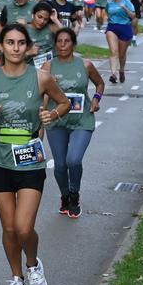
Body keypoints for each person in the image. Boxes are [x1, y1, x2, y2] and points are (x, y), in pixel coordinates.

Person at [0, 24, 70, 285]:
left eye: (20, 43)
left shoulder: (41, 78)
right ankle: (16, 279)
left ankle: (33, 265)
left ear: (27, 47)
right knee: (9, 228)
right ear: (1, 47)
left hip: (29, 158)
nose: (15, 48)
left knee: (24, 227)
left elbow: (63, 103)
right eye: (9, 42)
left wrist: (53, 116)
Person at [41, 27, 103, 218]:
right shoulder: (48, 67)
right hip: (57, 120)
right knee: (60, 165)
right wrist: (42, 115)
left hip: (81, 120)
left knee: (73, 160)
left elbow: (99, 83)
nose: (62, 45)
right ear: (55, 44)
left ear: (73, 43)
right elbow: (43, 92)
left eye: (66, 41)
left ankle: (74, 194)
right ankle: (65, 196)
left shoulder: (85, 65)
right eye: (59, 41)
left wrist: (96, 99)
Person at [104, 0, 135, 83]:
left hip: (125, 27)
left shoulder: (127, 2)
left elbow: (133, 16)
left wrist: (125, 8)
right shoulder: (109, 2)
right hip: (112, 27)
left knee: (122, 54)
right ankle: (113, 74)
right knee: (113, 52)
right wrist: (109, 18)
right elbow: (107, 12)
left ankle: (121, 70)